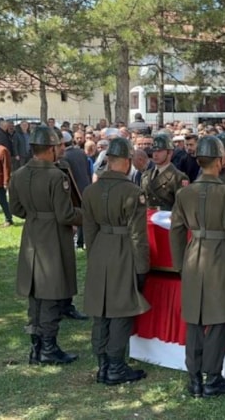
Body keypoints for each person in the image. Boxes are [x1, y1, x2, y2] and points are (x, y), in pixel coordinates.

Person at [170, 135, 225, 398]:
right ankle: (213, 378)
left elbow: (176, 232)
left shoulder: (184, 193)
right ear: (219, 160)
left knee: (194, 319)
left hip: (193, 257)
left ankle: (194, 378)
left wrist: (180, 264)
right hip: (220, 258)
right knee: (217, 320)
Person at [9, 126, 82, 366]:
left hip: (32, 235)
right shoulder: (56, 176)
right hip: (52, 238)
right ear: (51, 148)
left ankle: (36, 347)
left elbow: (17, 210)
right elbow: (65, 214)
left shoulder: (19, 174)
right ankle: (48, 349)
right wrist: (89, 215)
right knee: (51, 293)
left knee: (35, 295)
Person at [82, 137, 150, 385]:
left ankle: (102, 364)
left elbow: (88, 230)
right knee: (121, 310)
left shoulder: (91, 191)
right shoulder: (132, 191)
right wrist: (142, 268)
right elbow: (138, 236)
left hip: (100, 248)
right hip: (123, 252)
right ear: (128, 161)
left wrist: (94, 256)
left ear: (108, 160)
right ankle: (116, 367)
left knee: (100, 310)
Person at [141, 133, 188, 210]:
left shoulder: (179, 177)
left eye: (159, 151)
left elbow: (182, 207)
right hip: (148, 219)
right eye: (154, 150)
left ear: (169, 153)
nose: (155, 154)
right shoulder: (146, 175)